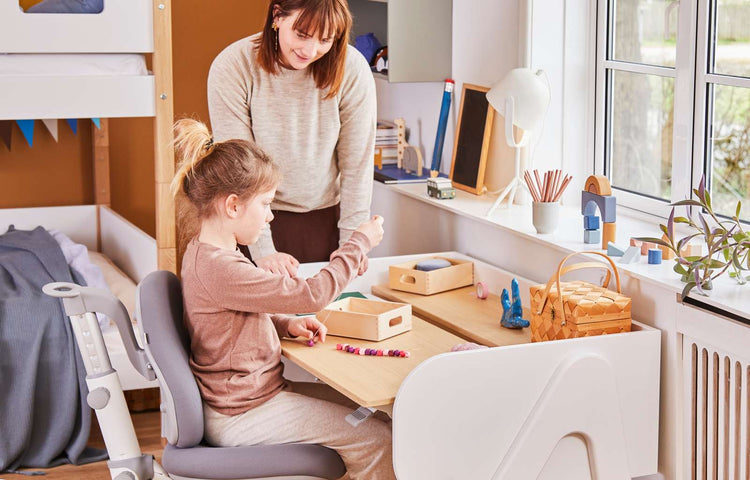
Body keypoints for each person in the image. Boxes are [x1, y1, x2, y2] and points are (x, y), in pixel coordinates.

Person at [171, 118, 395, 480]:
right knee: (377, 438)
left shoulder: (209, 253)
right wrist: (359, 242)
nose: (270, 216)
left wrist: (285, 324)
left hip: (250, 398)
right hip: (244, 413)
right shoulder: (221, 266)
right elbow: (314, 293)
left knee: (370, 413)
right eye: (265, 204)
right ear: (232, 206)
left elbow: (232, 318)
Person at [208, 0, 376, 276]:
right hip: (248, 218)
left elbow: (357, 165)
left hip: (324, 218)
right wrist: (263, 251)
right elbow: (238, 166)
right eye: (302, 34)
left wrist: (352, 243)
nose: (310, 51)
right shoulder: (234, 65)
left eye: (325, 39)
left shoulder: (353, 68)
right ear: (277, 16)